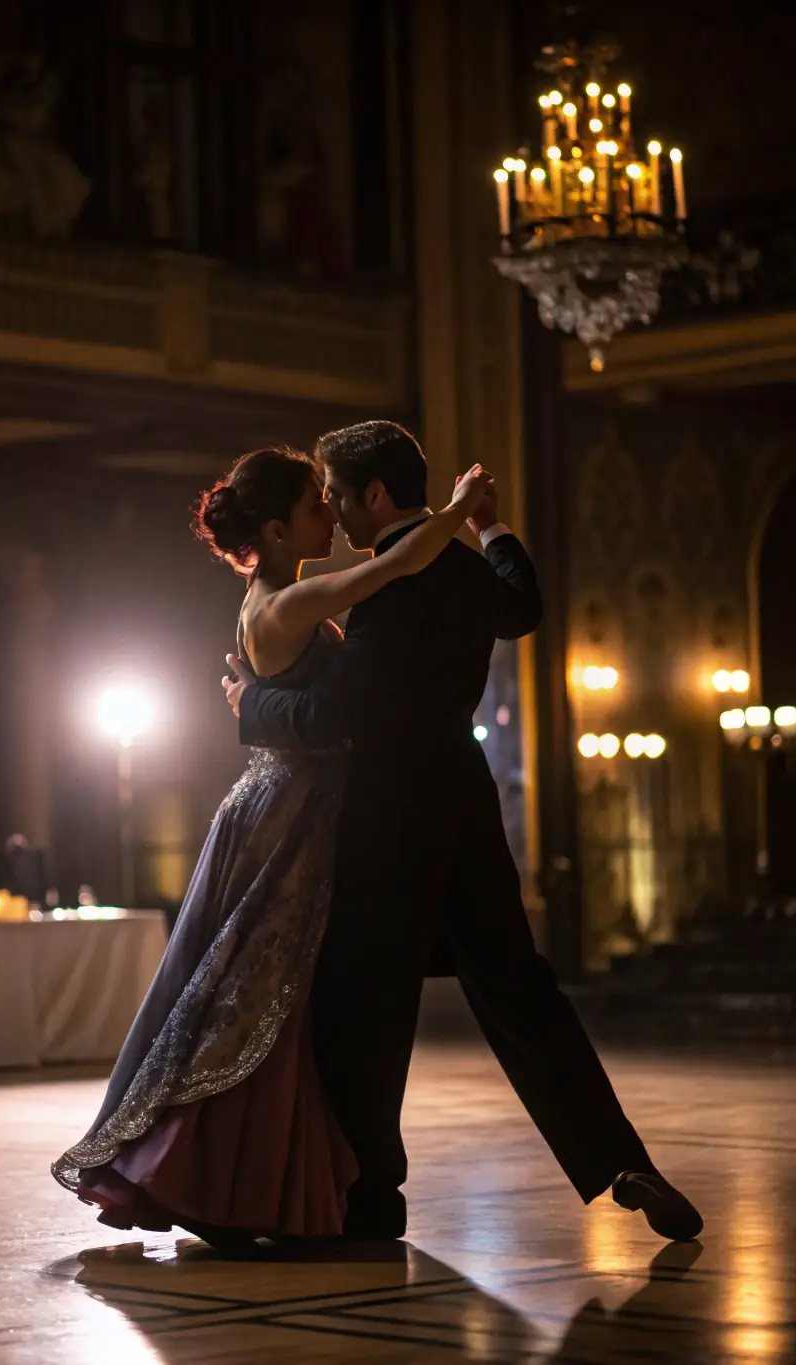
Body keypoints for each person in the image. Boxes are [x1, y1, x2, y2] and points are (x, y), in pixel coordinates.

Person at [225, 420, 702, 1244]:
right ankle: (620, 1159)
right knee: (523, 992)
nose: (333, 511)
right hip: (468, 809)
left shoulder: (387, 589)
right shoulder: (466, 571)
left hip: (386, 822)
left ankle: (370, 1199)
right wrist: (488, 525)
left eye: (337, 494)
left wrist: (250, 704)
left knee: (366, 1012)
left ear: (376, 494)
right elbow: (524, 605)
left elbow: (333, 713)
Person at [51, 445, 493, 1251]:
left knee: (266, 999)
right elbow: (397, 565)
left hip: (287, 802)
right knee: (254, 996)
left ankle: (240, 1181)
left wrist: (253, 699)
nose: (331, 516)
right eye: (316, 506)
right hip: (285, 812)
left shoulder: (275, 598)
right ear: (279, 528)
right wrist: (462, 510)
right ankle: (213, 1179)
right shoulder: (288, 602)